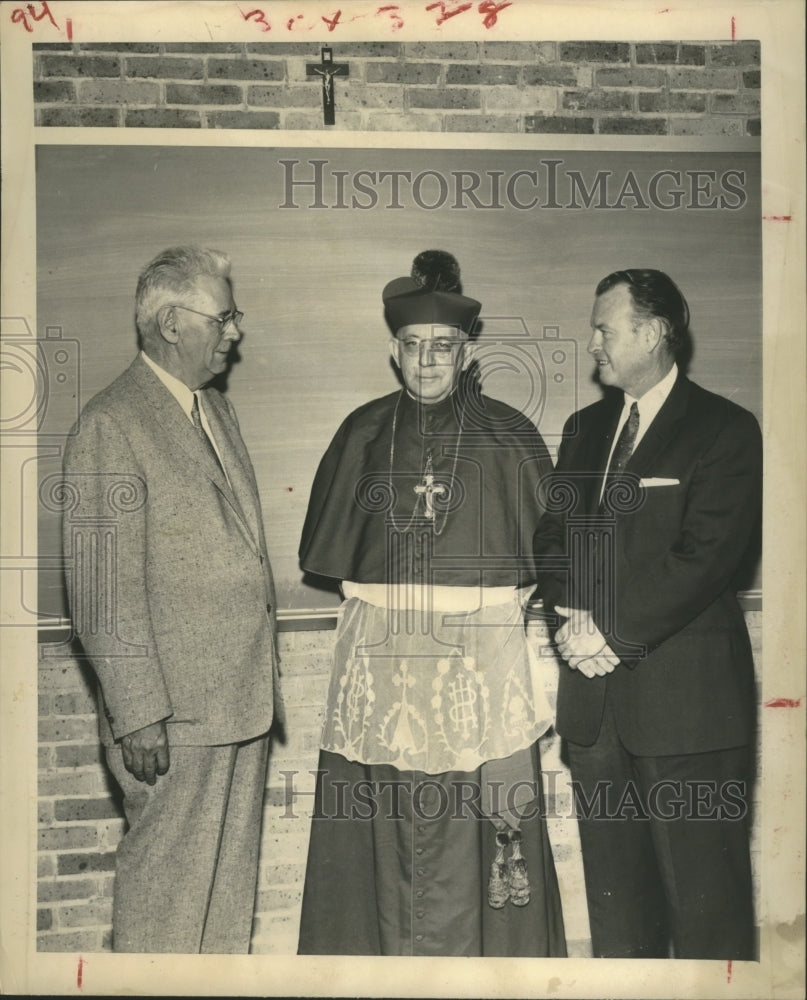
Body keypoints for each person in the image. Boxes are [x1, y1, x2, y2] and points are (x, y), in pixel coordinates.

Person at [297, 250, 566, 957]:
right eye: (413, 346)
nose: (426, 361)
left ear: (465, 349)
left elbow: (551, 557)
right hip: (382, 678)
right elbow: (331, 559)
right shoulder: (361, 433)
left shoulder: (508, 436)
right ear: (393, 351)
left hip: (477, 680)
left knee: (477, 839)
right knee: (380, 831)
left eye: (441, 347)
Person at [534, 268, 761, 960]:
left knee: (705, 908)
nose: (593, 342)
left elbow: (706, 556)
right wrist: (572, 624)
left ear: (654, 333)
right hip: (595, 711)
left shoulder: (723, 429)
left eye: (604, 328)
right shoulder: (582, 429)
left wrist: (606, 630)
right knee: (618, 911)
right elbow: (552, 541)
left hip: (688, 713)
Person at [61, 246, 281, 953]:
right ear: (171, 324)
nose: (235, 332)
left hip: (237, 703)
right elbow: (99, 588)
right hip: (172, 719)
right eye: (224, 316)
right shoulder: (111, 423)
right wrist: (138, 713)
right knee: (166, 913)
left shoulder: (216, 411)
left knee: (222, 914)